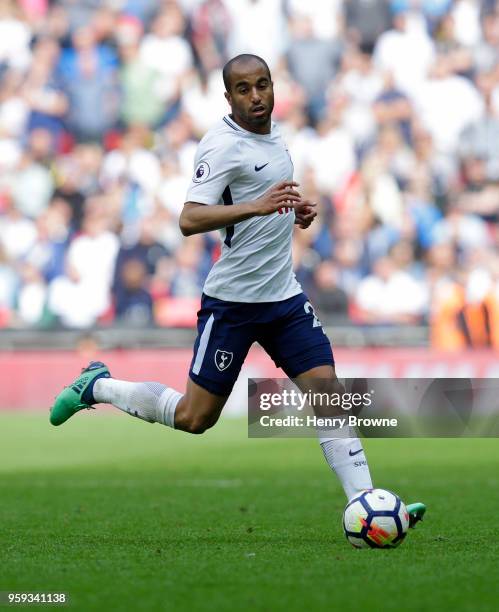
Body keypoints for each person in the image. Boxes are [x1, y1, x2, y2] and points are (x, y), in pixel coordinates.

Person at [49, 54, 425, 525]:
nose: (256, 96)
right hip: (233, 303)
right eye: (244, 89)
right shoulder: (221, 145)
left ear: (273, 87)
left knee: (329, 394)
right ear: (228, 97)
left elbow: (267, 199)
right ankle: (98, 386)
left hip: (283, 297)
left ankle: (367, 505)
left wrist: (293, 211)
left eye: (262, 85)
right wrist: (258, 205)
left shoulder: (276, 136)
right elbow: (189, 218)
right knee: (194, 418)